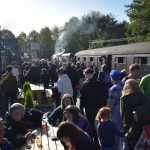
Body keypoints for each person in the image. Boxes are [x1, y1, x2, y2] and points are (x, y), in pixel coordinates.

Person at [80, 68, 108, 147]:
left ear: (86, 74)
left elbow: (82, 98)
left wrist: (81, 109)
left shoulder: (85, 84)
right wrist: (103, 105)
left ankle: (96, 144)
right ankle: (103, 142)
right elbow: (105, 94)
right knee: (101, 125)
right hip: (99, 108)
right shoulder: (99, 83)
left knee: (92, 127)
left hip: (90, 109)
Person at [121, 79, 147, 150]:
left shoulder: (124, 98)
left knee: (129, 145)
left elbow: (122, 114)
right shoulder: (143, 97)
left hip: (129, 125)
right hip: (142, 125)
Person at [107, 70, 124, 150]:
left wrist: (109, 115)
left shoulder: (113, 88)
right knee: (123, 130)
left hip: (116, 112)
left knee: (116, 131)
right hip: (124, 111)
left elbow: (111, 104)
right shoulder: (124, 85)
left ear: (112, 78)